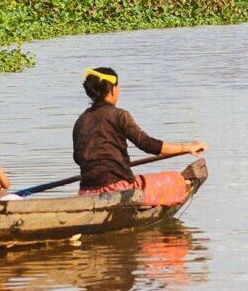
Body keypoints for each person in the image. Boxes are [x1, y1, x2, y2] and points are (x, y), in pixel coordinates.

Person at [73, 67, 206, 196]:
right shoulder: (119, 115)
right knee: (175, 180)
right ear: (112, 89)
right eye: (117, 86)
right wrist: (187, 147)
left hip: (86, 191)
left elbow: (78, 158)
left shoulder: (80, 121)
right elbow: (147, 144)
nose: (119, 90)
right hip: (118, 189)